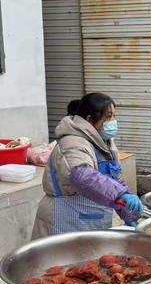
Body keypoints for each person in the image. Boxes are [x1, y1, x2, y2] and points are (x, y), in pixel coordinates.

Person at [31, 93, 143, 239]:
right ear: (90, 120)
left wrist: (128, 212)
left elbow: (113, 178)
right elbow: (84, 177)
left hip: (90, 217)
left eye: (114, 116)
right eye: (108, 116)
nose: (113, 121)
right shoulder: (72, 143)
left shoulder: (104, 143)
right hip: (65, 217)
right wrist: (120, 195)